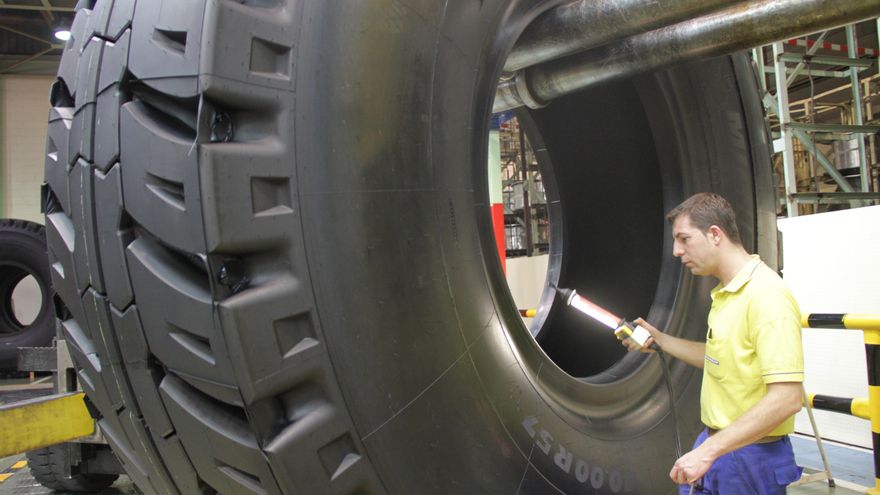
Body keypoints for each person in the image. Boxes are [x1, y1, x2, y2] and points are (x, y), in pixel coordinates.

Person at [620, 192, 804, 494]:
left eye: (684, 239)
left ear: (715, 234)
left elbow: (787, 398)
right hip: (717, 446)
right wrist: (661, 340)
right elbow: (721, 357)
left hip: (750, 458)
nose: (677, 251)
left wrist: (709, 451)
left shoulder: (767, 297)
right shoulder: (726, 293)